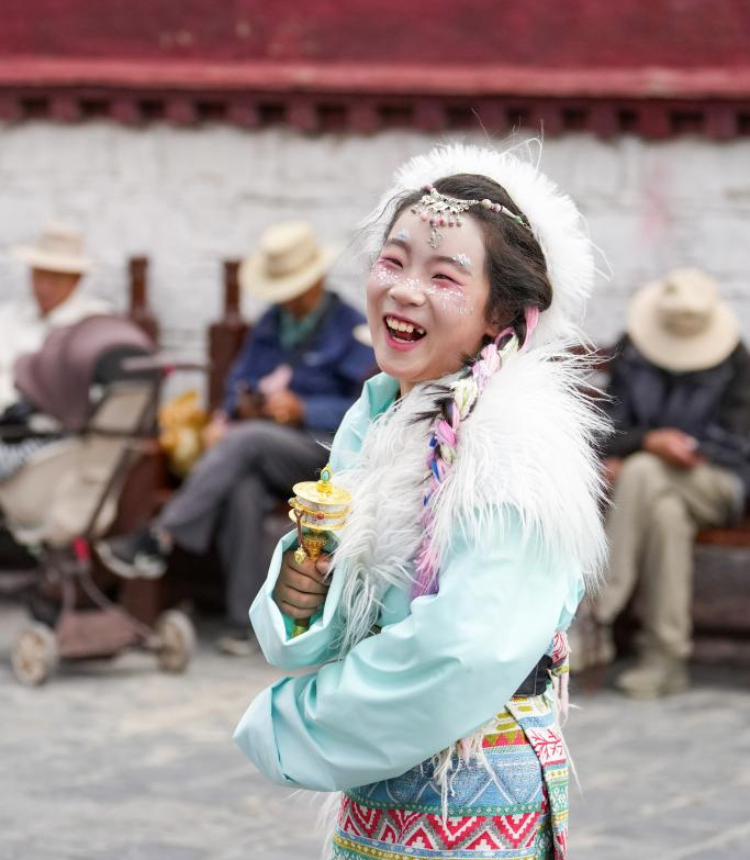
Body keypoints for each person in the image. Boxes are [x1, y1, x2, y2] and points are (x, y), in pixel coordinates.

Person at [233, 144, 607, 859]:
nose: (404, 290)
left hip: (470, 788)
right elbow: (363, 607)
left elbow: (464, 650)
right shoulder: (380, 417)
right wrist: (301, 591)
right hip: (385, 783)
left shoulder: (515, 448)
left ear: (505, 313)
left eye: (444, 275)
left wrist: (290, 723)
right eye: (394, 260)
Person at [98, 221, 374, 655]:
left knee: (246, 441)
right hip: (261, 447)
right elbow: (236, 384)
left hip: (321, 451)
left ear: (317, 278)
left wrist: (301, 409)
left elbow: (364, 407)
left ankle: (160, 537)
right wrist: (235, 410)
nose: (288, 297)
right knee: (242, 487)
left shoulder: (352, 328)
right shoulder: (270, 325)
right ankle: (245, 622)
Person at [594, 268, 750, 698]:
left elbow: (738, 445)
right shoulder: (635, 350)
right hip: (653, 490)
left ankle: (597, 612)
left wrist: (679, 450)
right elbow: (608, 428)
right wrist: (647, 443)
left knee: (645, 474)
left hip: (715, 481)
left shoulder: (735, 360)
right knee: (664, 514)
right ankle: (665, 659)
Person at [0, 223, 109, 479]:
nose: (44, 287)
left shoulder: (93, 325)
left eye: (55, 279)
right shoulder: (7, 318)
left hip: (50, 438)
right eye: (38, 276)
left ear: (76, 280)